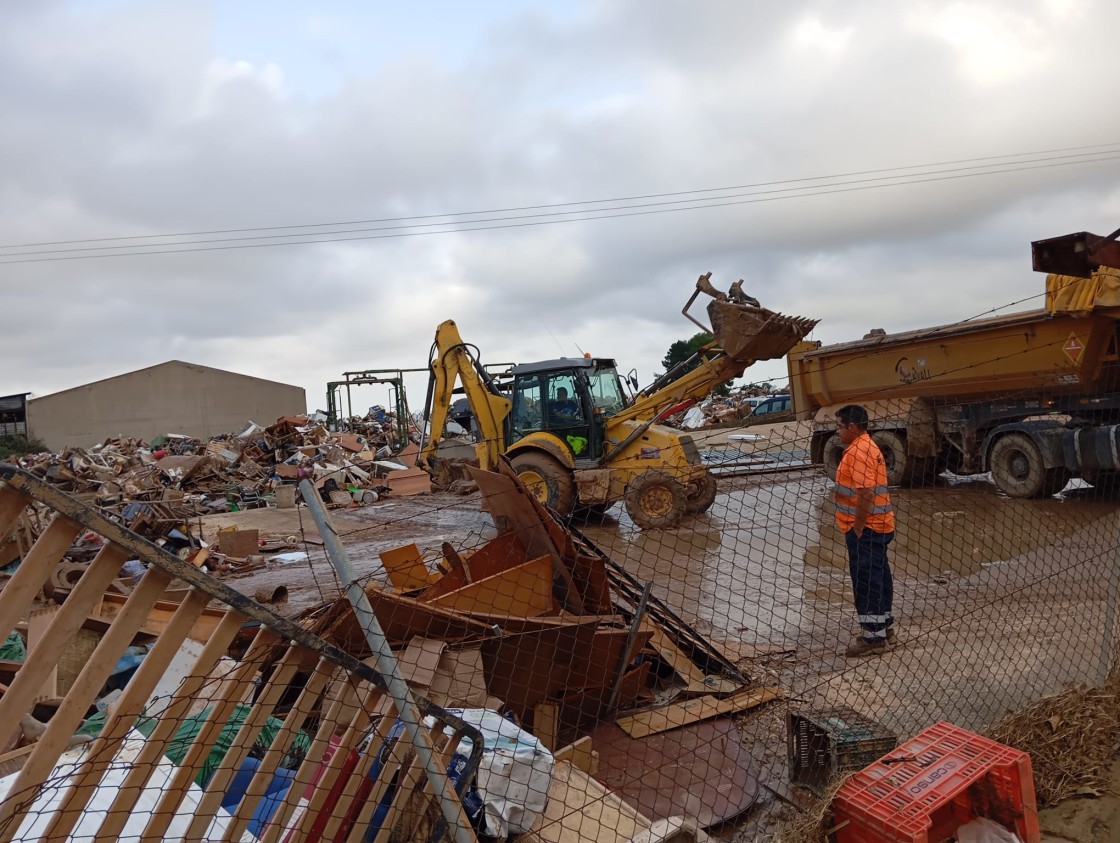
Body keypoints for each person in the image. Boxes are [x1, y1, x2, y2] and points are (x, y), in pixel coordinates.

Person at [834, 404, 896, 657]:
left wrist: (857, 526)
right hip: (880, 524)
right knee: (879, 576)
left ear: (852, 427)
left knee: (866, 580)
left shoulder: (858, 451)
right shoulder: (868, 445)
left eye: (839, 426)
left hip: (866, 527)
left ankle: (873, 638)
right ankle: (884, 627)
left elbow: (866, 492)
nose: (837, 432)